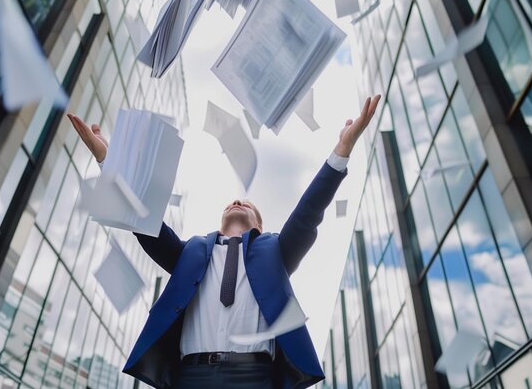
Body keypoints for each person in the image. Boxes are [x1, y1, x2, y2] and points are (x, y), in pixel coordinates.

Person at [67, 94, 380, 389]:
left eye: (247, 204)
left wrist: (341, 151)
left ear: (259, 225)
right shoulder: (190, 252)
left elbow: (308, 213)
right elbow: (142, 220)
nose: (236, 200)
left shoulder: (275, 252)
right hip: (191, 375)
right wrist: (107, 161)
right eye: (232, 201)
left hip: (255, 376)